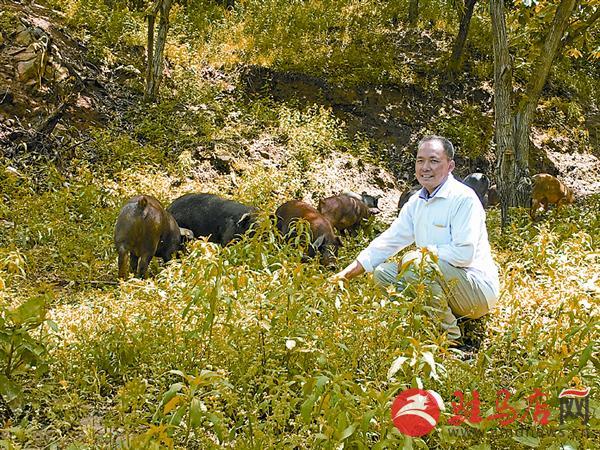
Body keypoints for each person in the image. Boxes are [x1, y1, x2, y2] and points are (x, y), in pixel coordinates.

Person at [330, 135, 500, 343]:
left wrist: (420, 254)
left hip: (477, 290)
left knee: (418, 265)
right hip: (443, 281)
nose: (425, 167)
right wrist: (343, 276)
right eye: (420, 160)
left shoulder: (463, 199)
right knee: (383, 273)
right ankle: (424, 325)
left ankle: (451, 342)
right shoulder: (416, 203)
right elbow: (387, 242)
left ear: (450, 166)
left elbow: (464, 254)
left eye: (434, 160)